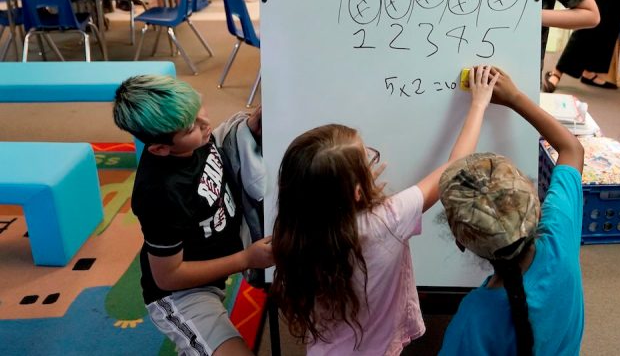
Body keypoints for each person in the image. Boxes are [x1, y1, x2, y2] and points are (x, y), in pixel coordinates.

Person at [271, 65, 498, 355]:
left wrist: (355, 191)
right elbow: (453, 169)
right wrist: (479, 104)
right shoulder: (389, 219)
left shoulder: (296, 230)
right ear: (354, 191)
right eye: (366, 160)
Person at [112, 75, 274, 355]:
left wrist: (248, 128)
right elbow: (168, 277)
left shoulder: (196, 141)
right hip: (182, 294)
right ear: (160, 149)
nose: (205, 125)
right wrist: (246, 259)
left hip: (213, 263)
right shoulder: (160, 194)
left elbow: (218, 145)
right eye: (192, 127)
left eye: (200, 111)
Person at [439, 66, 585, 356]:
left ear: (460, 240)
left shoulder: (475, 318)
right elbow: (571, 149)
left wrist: (478, 106)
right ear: (536, 202)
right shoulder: (559, 237)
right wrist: (515, 98)